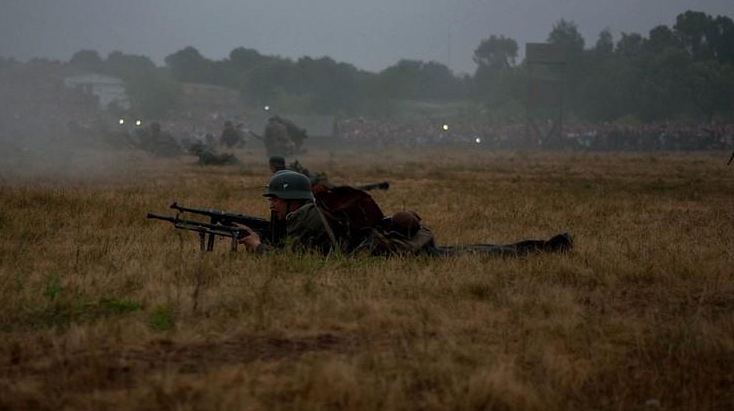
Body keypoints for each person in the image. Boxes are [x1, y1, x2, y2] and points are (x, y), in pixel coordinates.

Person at [238, 170, 572, 257]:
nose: (271, 204)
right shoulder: (304, 214)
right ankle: (544, 247)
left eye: (275, 199)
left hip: (393, 252)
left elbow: (289, 260)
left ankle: (547, 248)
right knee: (469, 251)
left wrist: (257, 246)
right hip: (386, 246)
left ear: (292, 200)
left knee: (476, 253)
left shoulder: (306, 217)